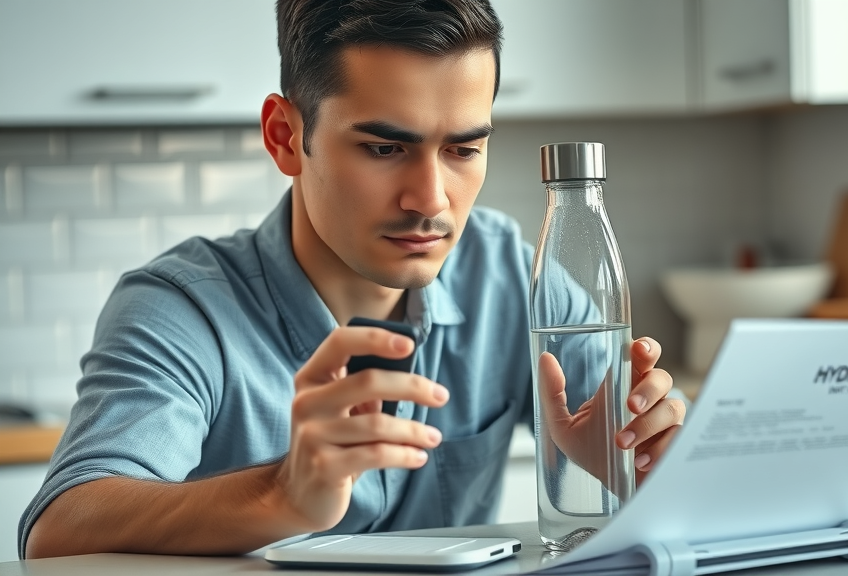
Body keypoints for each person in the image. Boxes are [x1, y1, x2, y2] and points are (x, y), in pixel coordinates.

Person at [20, 0, 684, 559]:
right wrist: (281, 495)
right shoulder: (181, 310)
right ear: (285, 137)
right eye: (385, 148)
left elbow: (653, 471)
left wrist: (639, 460)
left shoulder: (511, 272)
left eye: (463, 149)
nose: (430, 199)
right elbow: (59, 531)